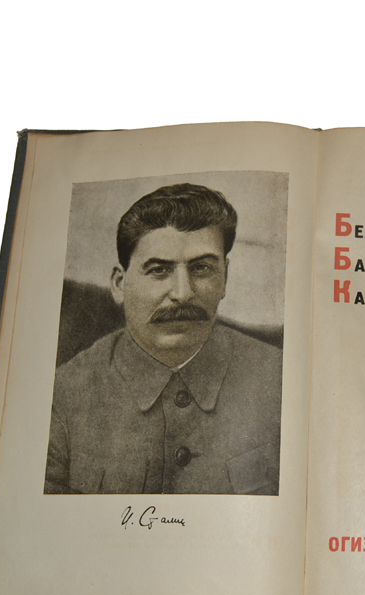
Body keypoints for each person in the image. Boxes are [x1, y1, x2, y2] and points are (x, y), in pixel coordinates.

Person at [45, 183, 283, 495]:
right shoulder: (63, 397)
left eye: (202, 268)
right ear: (119, 284)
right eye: (159, 270)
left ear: (224, 277)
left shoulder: (279, 380)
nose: (183, 293)